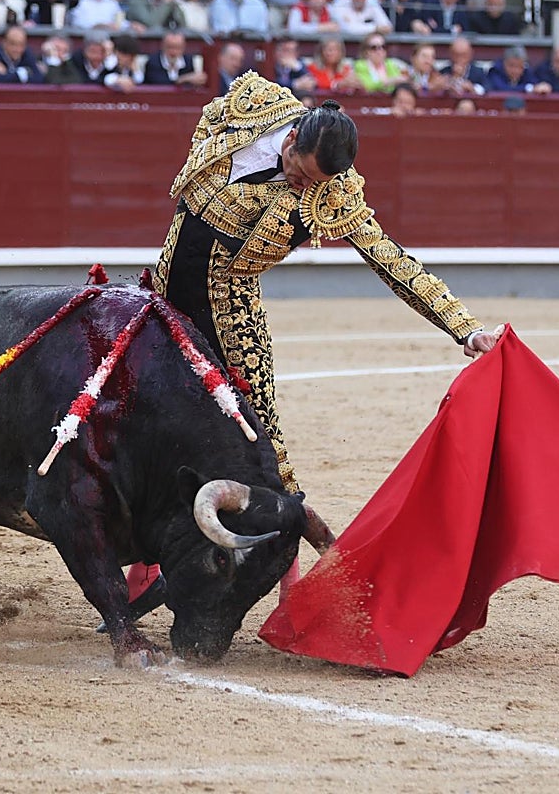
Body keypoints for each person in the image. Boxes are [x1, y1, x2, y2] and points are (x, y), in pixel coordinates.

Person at [131, 72, 497, 614]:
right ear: (292, 138)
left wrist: (463, 326)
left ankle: (290, 585)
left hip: (232, 318)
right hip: (162, 299)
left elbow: (390, 259)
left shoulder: (335, 192)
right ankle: (143, 565)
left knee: (261, 445)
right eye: (302, 174)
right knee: (141, 425)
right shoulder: (252, 107)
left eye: (315, 183)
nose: (306, 188)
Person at [142, 29, 206, 87]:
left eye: (177, 48)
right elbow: (159, 84)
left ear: (183, 48)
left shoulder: (188, 61)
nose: (173, 52)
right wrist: (183, 79)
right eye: (170, 47)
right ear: (162, 46)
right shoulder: (153, 62)